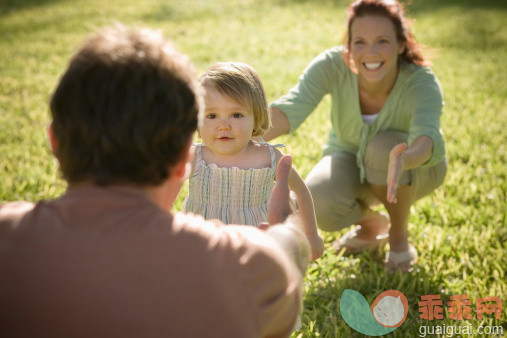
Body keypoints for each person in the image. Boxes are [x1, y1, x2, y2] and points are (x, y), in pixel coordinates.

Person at [0, 25, 311, 337]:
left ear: (54, 142)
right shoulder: (247, 268)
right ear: (182, 159)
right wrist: (288, 234)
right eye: (212, 116)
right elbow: (280, 284)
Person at [264, 0, 447, 272]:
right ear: (349, 45)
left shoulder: (421, 81)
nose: (370, 52)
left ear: (400, 44)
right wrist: (240, 135)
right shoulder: (332, 65)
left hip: (415, 169)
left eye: (382, 41)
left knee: (384, 148)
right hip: (350, 159)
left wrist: (405, 158)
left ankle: (399, 240)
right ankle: (372, 224)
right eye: (359, 42)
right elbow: (292, 107)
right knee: (317, 200)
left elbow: (426, 137)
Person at [182, 62, 324, 261]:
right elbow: (161, 190)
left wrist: (311, 235)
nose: (223, 125)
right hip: (205, 243)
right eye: (212, 115)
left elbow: (300, 190)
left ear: (257, 118)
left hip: (258, 242)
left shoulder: (269, 158)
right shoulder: (195, 157)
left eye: (236, 115)